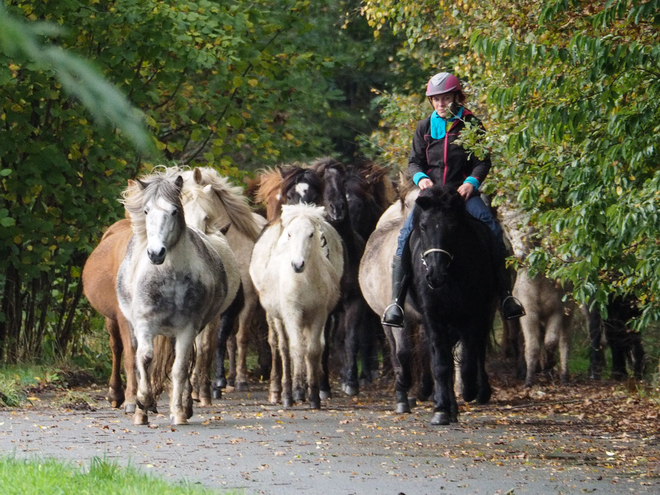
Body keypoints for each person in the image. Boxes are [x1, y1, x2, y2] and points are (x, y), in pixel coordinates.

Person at [381, 72, 525, 328]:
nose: (440, 104)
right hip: (432, 196)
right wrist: (421, 178)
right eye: (436, 100)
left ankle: (505, 296)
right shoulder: (424, 128)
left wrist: (472, 182)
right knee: (404, 235)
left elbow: (483, 161)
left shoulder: (472, 125)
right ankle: (397, 302)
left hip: (462, 194)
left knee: (492, 229)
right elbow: (414, 162)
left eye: (445, 98)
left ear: (456, 97)